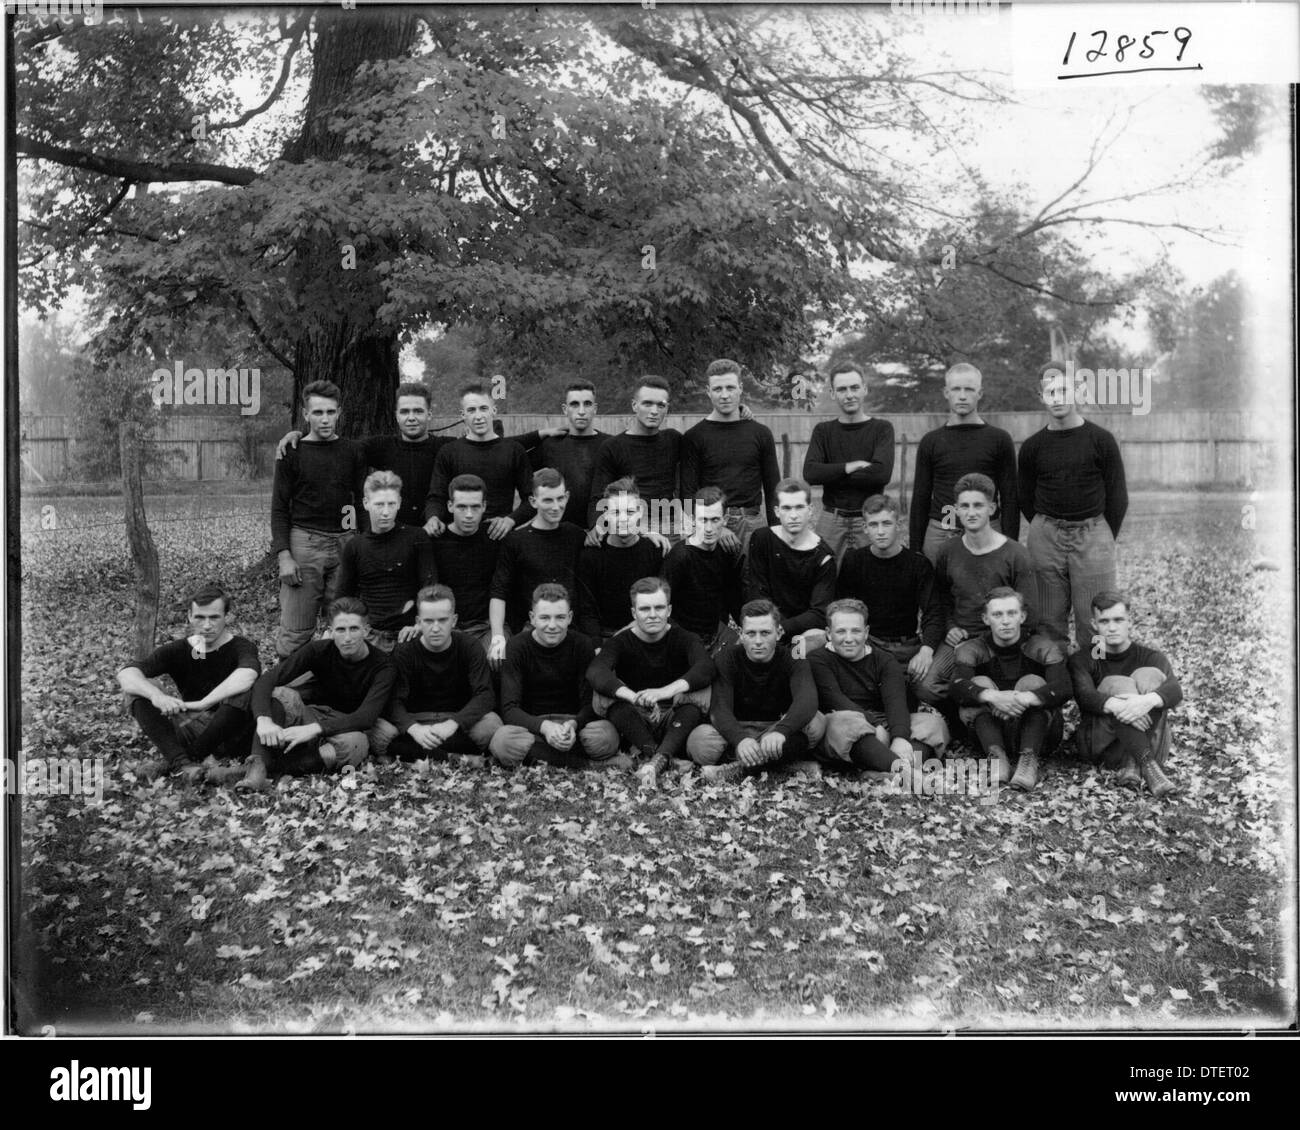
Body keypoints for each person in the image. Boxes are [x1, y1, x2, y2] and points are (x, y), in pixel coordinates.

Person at [1019, 360, 1129, 644]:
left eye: (1064, 389)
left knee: (1094, 620)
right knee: (1047, 620)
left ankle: (1093, 682)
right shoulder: (1032, 446)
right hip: (1046, 537)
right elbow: (1025, 496)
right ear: (1041, 396)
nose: (1057, 398)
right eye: (1050, 391)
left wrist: (1100, 534)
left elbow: (1118, 497)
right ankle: (1055, 683)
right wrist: (1048, 528)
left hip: (1092, 535)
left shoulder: (1101, 440)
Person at [238, 598, 396, 791]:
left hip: (348, 725)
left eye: (354, 629)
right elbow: (268, 679)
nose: (347, 638)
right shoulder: (319, 650)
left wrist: (315, 729)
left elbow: (365, 717)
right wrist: (263, 720)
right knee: (281, 694)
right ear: (330, 631)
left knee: (356, 745)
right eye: (340, 630)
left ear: (366, 630)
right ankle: (256, 769)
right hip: (313, 713)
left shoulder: (383, 666)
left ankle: (269, 769)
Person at [117, 583, 260, 783]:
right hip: (193, 725)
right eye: (200, 617)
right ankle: (183, 765)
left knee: (243, 691)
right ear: (189, 617)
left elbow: (248, 674)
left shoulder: (241, 646)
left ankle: (182, 760)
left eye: (214, 617)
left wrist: (203, 703)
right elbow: (126, 673)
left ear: (227, 617)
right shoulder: (179, 649)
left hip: (235, 730)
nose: (207, 625)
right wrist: (156, 696)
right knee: (137, 689)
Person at [920, 472, 1039, 703]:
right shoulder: (947, 551)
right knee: (927, 686)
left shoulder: (1015, 554)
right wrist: (951, 627)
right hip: (960, 637)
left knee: (1011, 684)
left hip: (1003, 639)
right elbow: (942, 599)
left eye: (978, 505)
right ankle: (960, 723)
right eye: (964, 506)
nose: (971, 512)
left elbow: (1030, 615)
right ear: (955, 509)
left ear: (992, 508)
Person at [587, 577, 715, 790]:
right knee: (603, 693)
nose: (653, 615)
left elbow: (706, 667)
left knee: (700, 689)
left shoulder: (685, 638)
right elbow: (595, 671)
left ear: (669, 610)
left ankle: (657, 757)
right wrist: (633, 697)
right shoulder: (620, 641)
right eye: (645, 609)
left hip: (675, 719)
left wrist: (662, 692)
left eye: (659, 607)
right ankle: (659, 755)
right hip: (636, 719)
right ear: (633, 613)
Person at [270, 380, 367, 657]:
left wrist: (364, 543)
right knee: (296, 629)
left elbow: (362, 502)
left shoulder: (353, 451)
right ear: (305, 414)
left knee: (344, 625)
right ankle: (285, 692)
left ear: (339, 413)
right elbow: (278, 508)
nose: (325, 419)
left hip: (345, 543)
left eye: (330, 412)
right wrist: (284, 555)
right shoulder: (292, 452)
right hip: (304, 544)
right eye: (317, 412)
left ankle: (336, 692)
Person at [686, 599, 826, 784]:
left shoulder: (793, 657)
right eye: (751, 633)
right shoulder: (727, 657)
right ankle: (786, 765)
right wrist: (740, 739)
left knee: (816, 723)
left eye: (765, 633)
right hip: (738, 729)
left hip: (777, 730)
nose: (758, 641)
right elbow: (720, 708)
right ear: (741, 634)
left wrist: (781, 731)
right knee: (700, 742)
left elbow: (806, 700)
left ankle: (735, 769)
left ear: (779, 633)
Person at [275, 381, 449, 530]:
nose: (411, 418)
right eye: (404, 412)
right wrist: (299, 435)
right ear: (396, 415)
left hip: (434, 533)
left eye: (418, 411)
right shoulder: (381, 446)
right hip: (394, 539)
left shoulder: (447, 448)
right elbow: (333, 446)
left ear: (429, 414)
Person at [489, 584, 626, 771]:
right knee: (502, 741)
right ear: (532, 618)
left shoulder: (582, 645)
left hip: (571, 727)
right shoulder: (516, 646)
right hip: (533, 727)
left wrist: (573, 724)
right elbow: (509, 709)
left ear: (569, 617)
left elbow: (589, 705)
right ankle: (587, 765)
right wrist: (545, 727)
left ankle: (543, 757)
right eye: (545, 617)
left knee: (606, 736)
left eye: (560, 617)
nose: (552, 625)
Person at [949, 587, 1070, 791]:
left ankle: (1028, 761)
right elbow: (956, 686)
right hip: (989, 734)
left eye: (1011, 613)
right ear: (986, 619)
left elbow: (1064, 687)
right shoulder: (972, 648)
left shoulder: (1042, 646)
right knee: (980, 683)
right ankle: (996, 759)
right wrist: (993, 697)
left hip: (1040, 736)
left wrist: (1025, 698)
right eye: (997, 614)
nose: (1005, 621)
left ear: (1022, 616)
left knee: (1032, 681)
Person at [809, 599, 944, 773]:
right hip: (845, 722)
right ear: (828, 633)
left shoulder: (884, 660)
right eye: (841, 631)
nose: (848, 638)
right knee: (844, 724)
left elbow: (896, 703)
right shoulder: (817, 659)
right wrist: (874, 726)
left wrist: (899, 737)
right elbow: (835, 699)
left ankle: (882, 766)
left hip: (881, 722)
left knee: (931, 724)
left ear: (866, 633)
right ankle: (900, 770)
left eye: (856, 631)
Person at [1067, 591, 1181, 798]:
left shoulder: (1149, 656)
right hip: (1104, 746)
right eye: (1104, 621)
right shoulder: (1089, 657)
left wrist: (1145, 702)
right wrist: (1120, 705)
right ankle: (1144, 762)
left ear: (1130, 621)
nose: (1111, 628)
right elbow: (1084, 695)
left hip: (1154, 745)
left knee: (1151, 675)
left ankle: (1134, 761)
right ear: (1094, 624)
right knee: (1116, 683)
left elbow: (1175, 691)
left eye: (1118, 620)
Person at [374, 585, 503, 765]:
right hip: (416, 721)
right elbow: (393, 701)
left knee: (491, 725)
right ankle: (455, 758)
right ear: (418, 621)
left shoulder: (470, 646)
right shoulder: (404, 651)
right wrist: (414, 729)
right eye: (428, 621)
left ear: (454, 620)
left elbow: (485, 694)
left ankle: (412, 754)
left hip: (457, 722)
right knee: (380, 731)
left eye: (442, 620)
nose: (435, 628)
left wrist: (453, 724)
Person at [836, 494, 944, 706]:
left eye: (886, 523)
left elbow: (933, 611)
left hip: (908, 647)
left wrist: (926, 649)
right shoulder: (854, 561)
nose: (881, 531)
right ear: (865, 528)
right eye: (873, 525)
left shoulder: (918, 564)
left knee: (928, 689)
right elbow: (841, 608)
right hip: (869, 643)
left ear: (899, 525)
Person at [909, 362, 1019, 564]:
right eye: (956, 389)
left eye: (969, 389)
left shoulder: (999, 439)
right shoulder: (931, 441)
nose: (962, 395)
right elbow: (920, 499)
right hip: (943, 528)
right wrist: (915, 550)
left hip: (987, 530)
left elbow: (1010, 498)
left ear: (980, 393)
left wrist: (1011, 546)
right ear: (946, 392)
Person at [487, 468, 587, 668]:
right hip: (529, 629)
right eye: (548, 500)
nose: (556, 507)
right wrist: (497, 636)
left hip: (569, 626)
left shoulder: (576, 535)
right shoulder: (516, 540)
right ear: (533, 502)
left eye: (560, 499)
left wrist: (651, 534)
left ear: (567, 496)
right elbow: (499, 591)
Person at [680, 359, 780, 551]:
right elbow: (688, 493)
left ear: (740, 388)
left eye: (730, 388)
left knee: (752, 580)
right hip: (709, 526)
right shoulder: (693, 437)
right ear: (708, 391)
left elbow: (773, 488)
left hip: (752, 524)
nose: (725, 395)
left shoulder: (760, 433)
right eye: (718, 389)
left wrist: (777, 532)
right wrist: (715, 526)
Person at [803, 363, 895, 561]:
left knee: (872, 580)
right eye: (842, 389)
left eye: (854, 387)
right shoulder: (823, 431)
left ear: (865, 389)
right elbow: (811, 473)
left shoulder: (882, 429)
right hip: (831, 519)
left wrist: (832, 474)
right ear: (833, 393)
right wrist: (850, 466)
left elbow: (881, 474)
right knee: (825, 577)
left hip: (870, 518)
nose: (849, 394)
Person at [335, 471, 436, 651]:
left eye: (391, 504)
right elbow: (343, 597)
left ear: (399, 503)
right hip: (370, 635)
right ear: (366, 503)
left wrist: (421, 624)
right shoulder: (355, 546)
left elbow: (430, 587)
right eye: (379, 504)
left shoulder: (416, 537)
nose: (386, 512)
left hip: (411, 633)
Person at [424, 383, 533, 538]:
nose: (478, 416)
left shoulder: (514, 450)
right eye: (471, 410)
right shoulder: (449, 452)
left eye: (483, 408)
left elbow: (531, 499)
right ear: (463, 415)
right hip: (457, 540)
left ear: (493, 411)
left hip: (499, 538)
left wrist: (511, 520)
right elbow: (436, 496)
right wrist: (433, 518)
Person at [744, 479, 837, 657]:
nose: (793, 515)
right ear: (777, 511)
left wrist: (780, 628)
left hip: (802, 632)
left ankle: (794, 666)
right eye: (787, 508)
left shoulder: (823, 556)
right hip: (766, 626)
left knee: (807, 644)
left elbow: (819, 613)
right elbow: (757, 591)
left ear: (810, 510)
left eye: (799, 507)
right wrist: (770, 628)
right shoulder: (762, 539)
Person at [588, 377, 684, 539]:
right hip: (631, 526)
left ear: (667, 408)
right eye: (647, 404)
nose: (654, 411)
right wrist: (596, 526)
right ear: (634, 405)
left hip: (670, 527)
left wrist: (738, 413)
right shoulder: (613, 447)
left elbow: (706, 450)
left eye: (660, 405)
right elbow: (598, 495)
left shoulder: (673, 440)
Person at [576, 479, 665, 646]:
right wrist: (597, 648)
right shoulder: (591, 556)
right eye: (616, 512)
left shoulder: (654, 551)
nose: (623, 519)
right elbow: (587, 612)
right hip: (604, 636)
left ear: (640, 512)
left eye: (630, 512)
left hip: (646, 633)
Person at [514, 380, 611, 528]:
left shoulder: (610, 445)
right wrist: (539, 434)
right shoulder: (551, 445)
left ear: (595, 408)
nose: (581, 411)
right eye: (574, 404)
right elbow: (507, 451)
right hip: (560, 534)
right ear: (565, 409)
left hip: (599, 532)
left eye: (587, 404)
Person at [661, 486, 745, 653]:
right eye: (703, 520)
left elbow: (734, 597)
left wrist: (749, 629)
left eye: (715, 520)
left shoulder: (726, 552)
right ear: (693, 520)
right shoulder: (679, 556)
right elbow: (662, 605)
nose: (708, 528)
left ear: (725, 519)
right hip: (683, 641)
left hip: (716, 637)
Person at [427, 474, 501, 651]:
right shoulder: (435, 540)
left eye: (475, 507)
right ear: (450, 506)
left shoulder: (494, 537)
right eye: (462, 507)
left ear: (484, 506)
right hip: (446, 626)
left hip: (485, 626)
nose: (469, 515)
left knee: (499, 657)